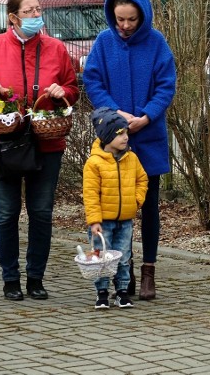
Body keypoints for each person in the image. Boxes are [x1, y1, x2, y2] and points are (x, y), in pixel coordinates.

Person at [0, 0, 79, 301]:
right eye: (29, 11)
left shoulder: (56, 49)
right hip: (1, 144)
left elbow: (72, 87)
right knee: (6, 213)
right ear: (13, 18)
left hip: (47, 141)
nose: (36, 16)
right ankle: (10, 279)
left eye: (38, 9)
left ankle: (35, 278)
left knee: (42, 212)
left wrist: (63, 93)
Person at [83, 0, 177, 301]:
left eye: (131, 20)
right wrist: (115, 113)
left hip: (148, 136)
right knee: (115, 209)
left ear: (143, 16)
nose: (124, 26)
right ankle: (126, 269)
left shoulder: (157, 44)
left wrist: (147, 116)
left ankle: (149, 270)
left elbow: (166, 86)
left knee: (148, 207)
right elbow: (93, 81)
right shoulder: (104, 42)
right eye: (120, 19)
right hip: (114, 138)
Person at [83, 107, 149, 309]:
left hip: (125, 220)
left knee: (123, 257)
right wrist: (94, 220)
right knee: (101, 258)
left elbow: (142, 179)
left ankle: (121, 291)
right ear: (107, 136)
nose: (125, 138)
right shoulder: (94, 163)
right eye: (120, 134)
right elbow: (91, 194)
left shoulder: (132, 158)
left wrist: (136, 201)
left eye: (126, 133)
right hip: (103, 223)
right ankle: (101, 292)